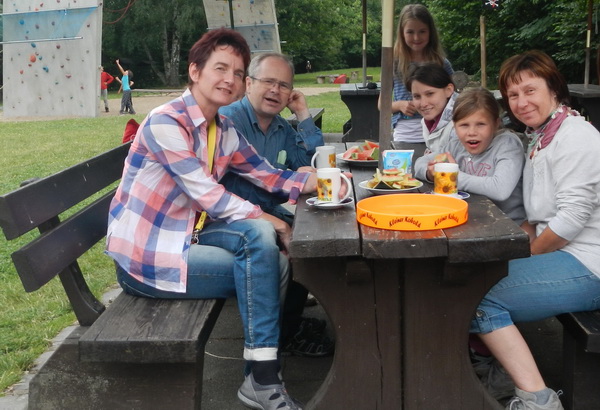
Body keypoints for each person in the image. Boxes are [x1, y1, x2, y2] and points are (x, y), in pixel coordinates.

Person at [105, 28, 338, 410]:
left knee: (265, 247)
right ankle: (265, 374)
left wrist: (325, 181)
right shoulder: (166, 122)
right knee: (269, 255)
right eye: (220, 68)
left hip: (191, 234)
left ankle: (261, 372)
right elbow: (207, 194)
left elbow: (267, 175)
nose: (230, 79)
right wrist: (278, 223)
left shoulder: (222, 129)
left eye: (238, 72)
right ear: (195, 71)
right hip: (147, 254)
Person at [469, 50, 600, 410]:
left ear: (554, 89)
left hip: (589, 263)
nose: (521, 102)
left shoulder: (576, 136)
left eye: (530, 91)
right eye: (513, 95)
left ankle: (538, 401)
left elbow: (571, 219)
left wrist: (527, 255)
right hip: (565, 254)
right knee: (472, 274)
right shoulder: (541, 137)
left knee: (478, 296)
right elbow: (536, 217)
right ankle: (497, 370)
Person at [219, 52, 333, 358]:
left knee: (311, 236)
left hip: (267, 212)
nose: (275, 90)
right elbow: (225, 192)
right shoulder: (229, 121)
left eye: (284, 85)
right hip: (230, 218)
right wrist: (297, 180)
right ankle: (286, 334)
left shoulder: (281, 128)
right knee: (297, 245)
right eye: (268, 81)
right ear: (248, 83)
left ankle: (289, 323)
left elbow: (311, 160)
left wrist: (303, 114)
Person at [414, 87, 526, 225]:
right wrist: (431, 173)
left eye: (481, 124)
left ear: (496, 124)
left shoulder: (507, 144)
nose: (472, 132)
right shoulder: (456, 145)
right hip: (472, 220)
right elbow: (420, 162)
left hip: (508, 226)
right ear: (454, 126)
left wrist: (451, 176)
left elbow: (500, 189)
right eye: (464, 125)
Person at [378, 3, 453, 157]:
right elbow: (381, 105)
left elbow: (454, 99)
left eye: (422, 31)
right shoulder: (393, 63)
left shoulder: (441, 63)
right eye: (410, 32)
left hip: (439, 132)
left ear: (430, 32)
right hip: (406, 133)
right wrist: (400, 105)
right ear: (402, 33)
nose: (416, 37)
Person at [405, 62, 459, 155]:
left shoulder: (461, 123)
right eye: (417, 96)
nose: (423, 104)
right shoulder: (426, 122)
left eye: (430, 94)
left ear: (449, 90)